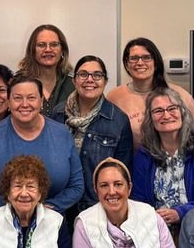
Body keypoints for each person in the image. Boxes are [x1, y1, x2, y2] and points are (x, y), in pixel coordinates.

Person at [0, 74, 84, 215]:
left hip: (54, 221)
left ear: (41, 101)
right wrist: (20, 209)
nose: (24, 104)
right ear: (8, 102)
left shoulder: (61, 133)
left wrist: (46, 210)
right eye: (17, 98)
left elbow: (77, 186)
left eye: (31, 98)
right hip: (5, 222)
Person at [50, 54, 134, 210]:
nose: (90, 80)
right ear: (74, 80)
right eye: (83, 74)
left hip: (97, 206)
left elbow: (124, 171)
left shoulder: (118, 120)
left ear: (105, 81)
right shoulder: (58, 114)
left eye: (97, 75)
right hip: (59, 205)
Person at [131, 87, 194, 228]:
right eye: (158, 111)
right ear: (150, 118)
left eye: (172, 108)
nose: (166, 115)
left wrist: (181, 212)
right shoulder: (144, 153)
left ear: (182, 112)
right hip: (156, 230)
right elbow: (137, 200)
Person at [106, 38, 194, 148]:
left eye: (146, 58)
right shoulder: (114, 97)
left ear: (155, 63)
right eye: (134, 58)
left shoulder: (180, 95)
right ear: (127, 65)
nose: (140, 63)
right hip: (131, 163)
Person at [16, 24, 73, 115]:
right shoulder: (18, 83)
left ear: (62, 50)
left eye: (54, 45)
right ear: (32, 50)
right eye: (41, 45)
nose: (48, 49)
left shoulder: (73, 83)